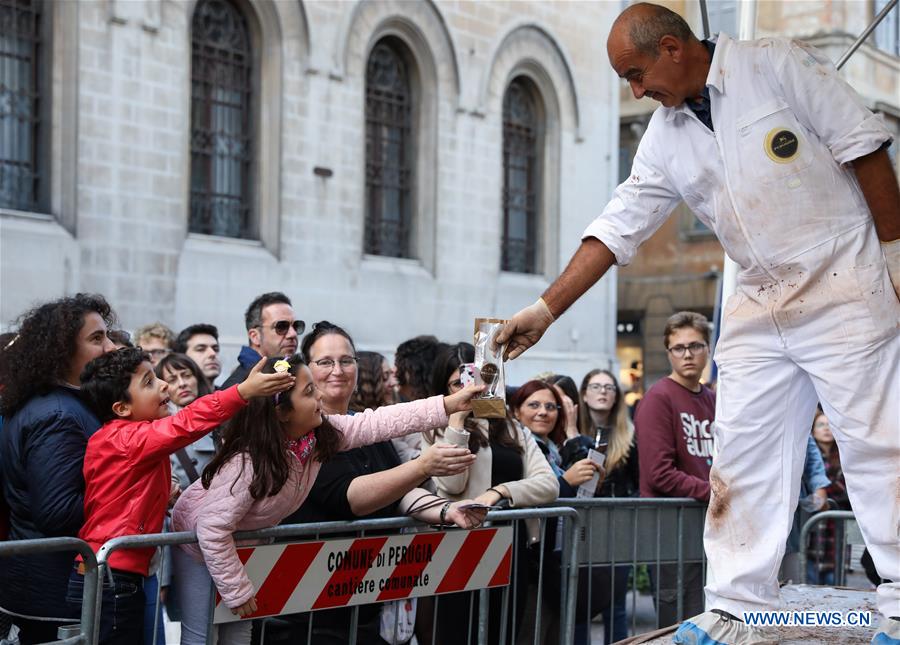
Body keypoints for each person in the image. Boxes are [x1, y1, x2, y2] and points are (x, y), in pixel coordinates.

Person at [495, 3, 900, 641]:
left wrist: (895, 253)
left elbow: (865, 147)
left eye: (635, 74)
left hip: (845, 277)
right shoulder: (663, 135)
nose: (635, 91)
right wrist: (545, 311)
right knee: (741, 453)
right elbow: (619, 224)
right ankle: (737, 606)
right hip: (759, 296)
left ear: (672, 48)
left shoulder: (776, 65)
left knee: (878, 444)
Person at [170, 354, 485, 645]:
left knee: (239, 633)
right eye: (309, 392)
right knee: (202, 636)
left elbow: (379, 422)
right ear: (281, 412)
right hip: (199, 549)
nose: (320, 396)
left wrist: (448, 405)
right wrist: (236, 589)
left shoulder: (317, 437)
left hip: (241, 546)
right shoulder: (247, 463)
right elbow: (211, 529)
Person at [66, 348, 293, 644]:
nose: (164, 385)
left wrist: (164, 497)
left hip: (115, 575)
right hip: (112, 578)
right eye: (149, 382)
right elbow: (185, 423)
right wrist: (242, 392)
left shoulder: (125, 436)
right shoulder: (126, 438)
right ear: (121, 408)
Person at [282, 329, 478, 644]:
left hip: (367, 603)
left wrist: (446, 510)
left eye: (346, 360)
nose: (338, 370)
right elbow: (351, 497)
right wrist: (423, 465)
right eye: (325, 362)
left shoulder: (363, 426)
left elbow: (399, 488)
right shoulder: (300, 436)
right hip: (310, 612)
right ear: (306, 369)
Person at [423, 342, 559, 645]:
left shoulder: (511, 427)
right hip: (459, 549)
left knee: (503, 632)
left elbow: (548, 484)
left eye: (474, 380)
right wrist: (457, 422)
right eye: (458, 384)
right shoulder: (434, 429)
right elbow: (452, 486)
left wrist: (500, 492)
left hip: (511, 546)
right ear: (444, 388)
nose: (468, 389)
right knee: (458, 635)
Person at [0, 294, 117, 644]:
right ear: (62, 351)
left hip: (51, 586)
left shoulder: (64, 405)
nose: (111, 348)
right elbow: (56, 511)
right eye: (97, 338)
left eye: (108, 336)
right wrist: (126, 491)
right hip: (53, 592)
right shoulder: (58, 415)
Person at [631, 312, 715, 628]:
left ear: (708, 349)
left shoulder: (712, 399)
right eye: (678, 348)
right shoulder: (658, 398)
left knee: (712, 619)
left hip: (708, 527)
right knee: (680, 624)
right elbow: (658, 474)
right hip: (670, 531)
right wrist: (715, 492)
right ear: (669, 353)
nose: (687, 354)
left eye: (695, 346)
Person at [510, 380, 604, 645]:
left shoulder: (554, 450)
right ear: (516, 411)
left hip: (552, 561)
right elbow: (528, 495)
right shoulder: (515, 448)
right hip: (529, 563)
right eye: (534, 405)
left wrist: (588, 482)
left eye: (551, 407)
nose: (543, 412)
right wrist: (567, 482)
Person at [563, 370, 639, 643]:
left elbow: (637, 483)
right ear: (584, 394)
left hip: (617, 527)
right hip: (580, 527)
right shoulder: (569, 432)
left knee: (615, 604)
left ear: (617, 396)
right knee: (580, 604)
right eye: (596, 386)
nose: (603, 391)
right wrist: (572, 435)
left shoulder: (629, 435)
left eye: (609, 387)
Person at [155, 353, 216, 488]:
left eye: (187, 375)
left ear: (197, 378)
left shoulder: (223, 415)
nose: (182, 384)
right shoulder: (159, 429)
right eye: (172, 380)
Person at [221, 292, 304, 388]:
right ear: (255, 336)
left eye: (296, 326)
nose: (293, 334)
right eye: (281, 326)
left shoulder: (291, 375)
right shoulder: (238, 389)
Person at [806, 410, 851, 585]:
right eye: (821, 425)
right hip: (812, 531)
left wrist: (819, 490)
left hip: (835, 532)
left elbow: (847, 488)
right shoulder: (808, 457)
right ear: (813, 430)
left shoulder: (844, 457)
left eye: (830, 425)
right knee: (808, 581)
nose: (826, 428)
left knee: (836, 582)